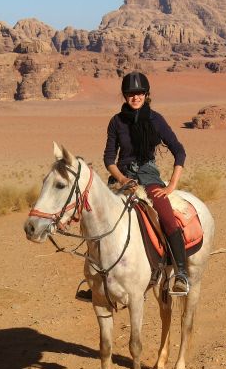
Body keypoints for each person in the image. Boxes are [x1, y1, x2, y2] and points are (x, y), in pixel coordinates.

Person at [77, 71, 189, 301]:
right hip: (122, 176)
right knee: (93, 217)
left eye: (139, 93)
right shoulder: (116, 121)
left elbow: (179, 150)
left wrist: (171, 186)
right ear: (125, 96)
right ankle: (95, 278)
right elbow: (109, 159)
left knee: (167, 216)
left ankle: (180, 272)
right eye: (130, 93)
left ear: (146, 94)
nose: (135, 97)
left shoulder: (156, 119)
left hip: (148, 176)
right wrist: (122, 180)